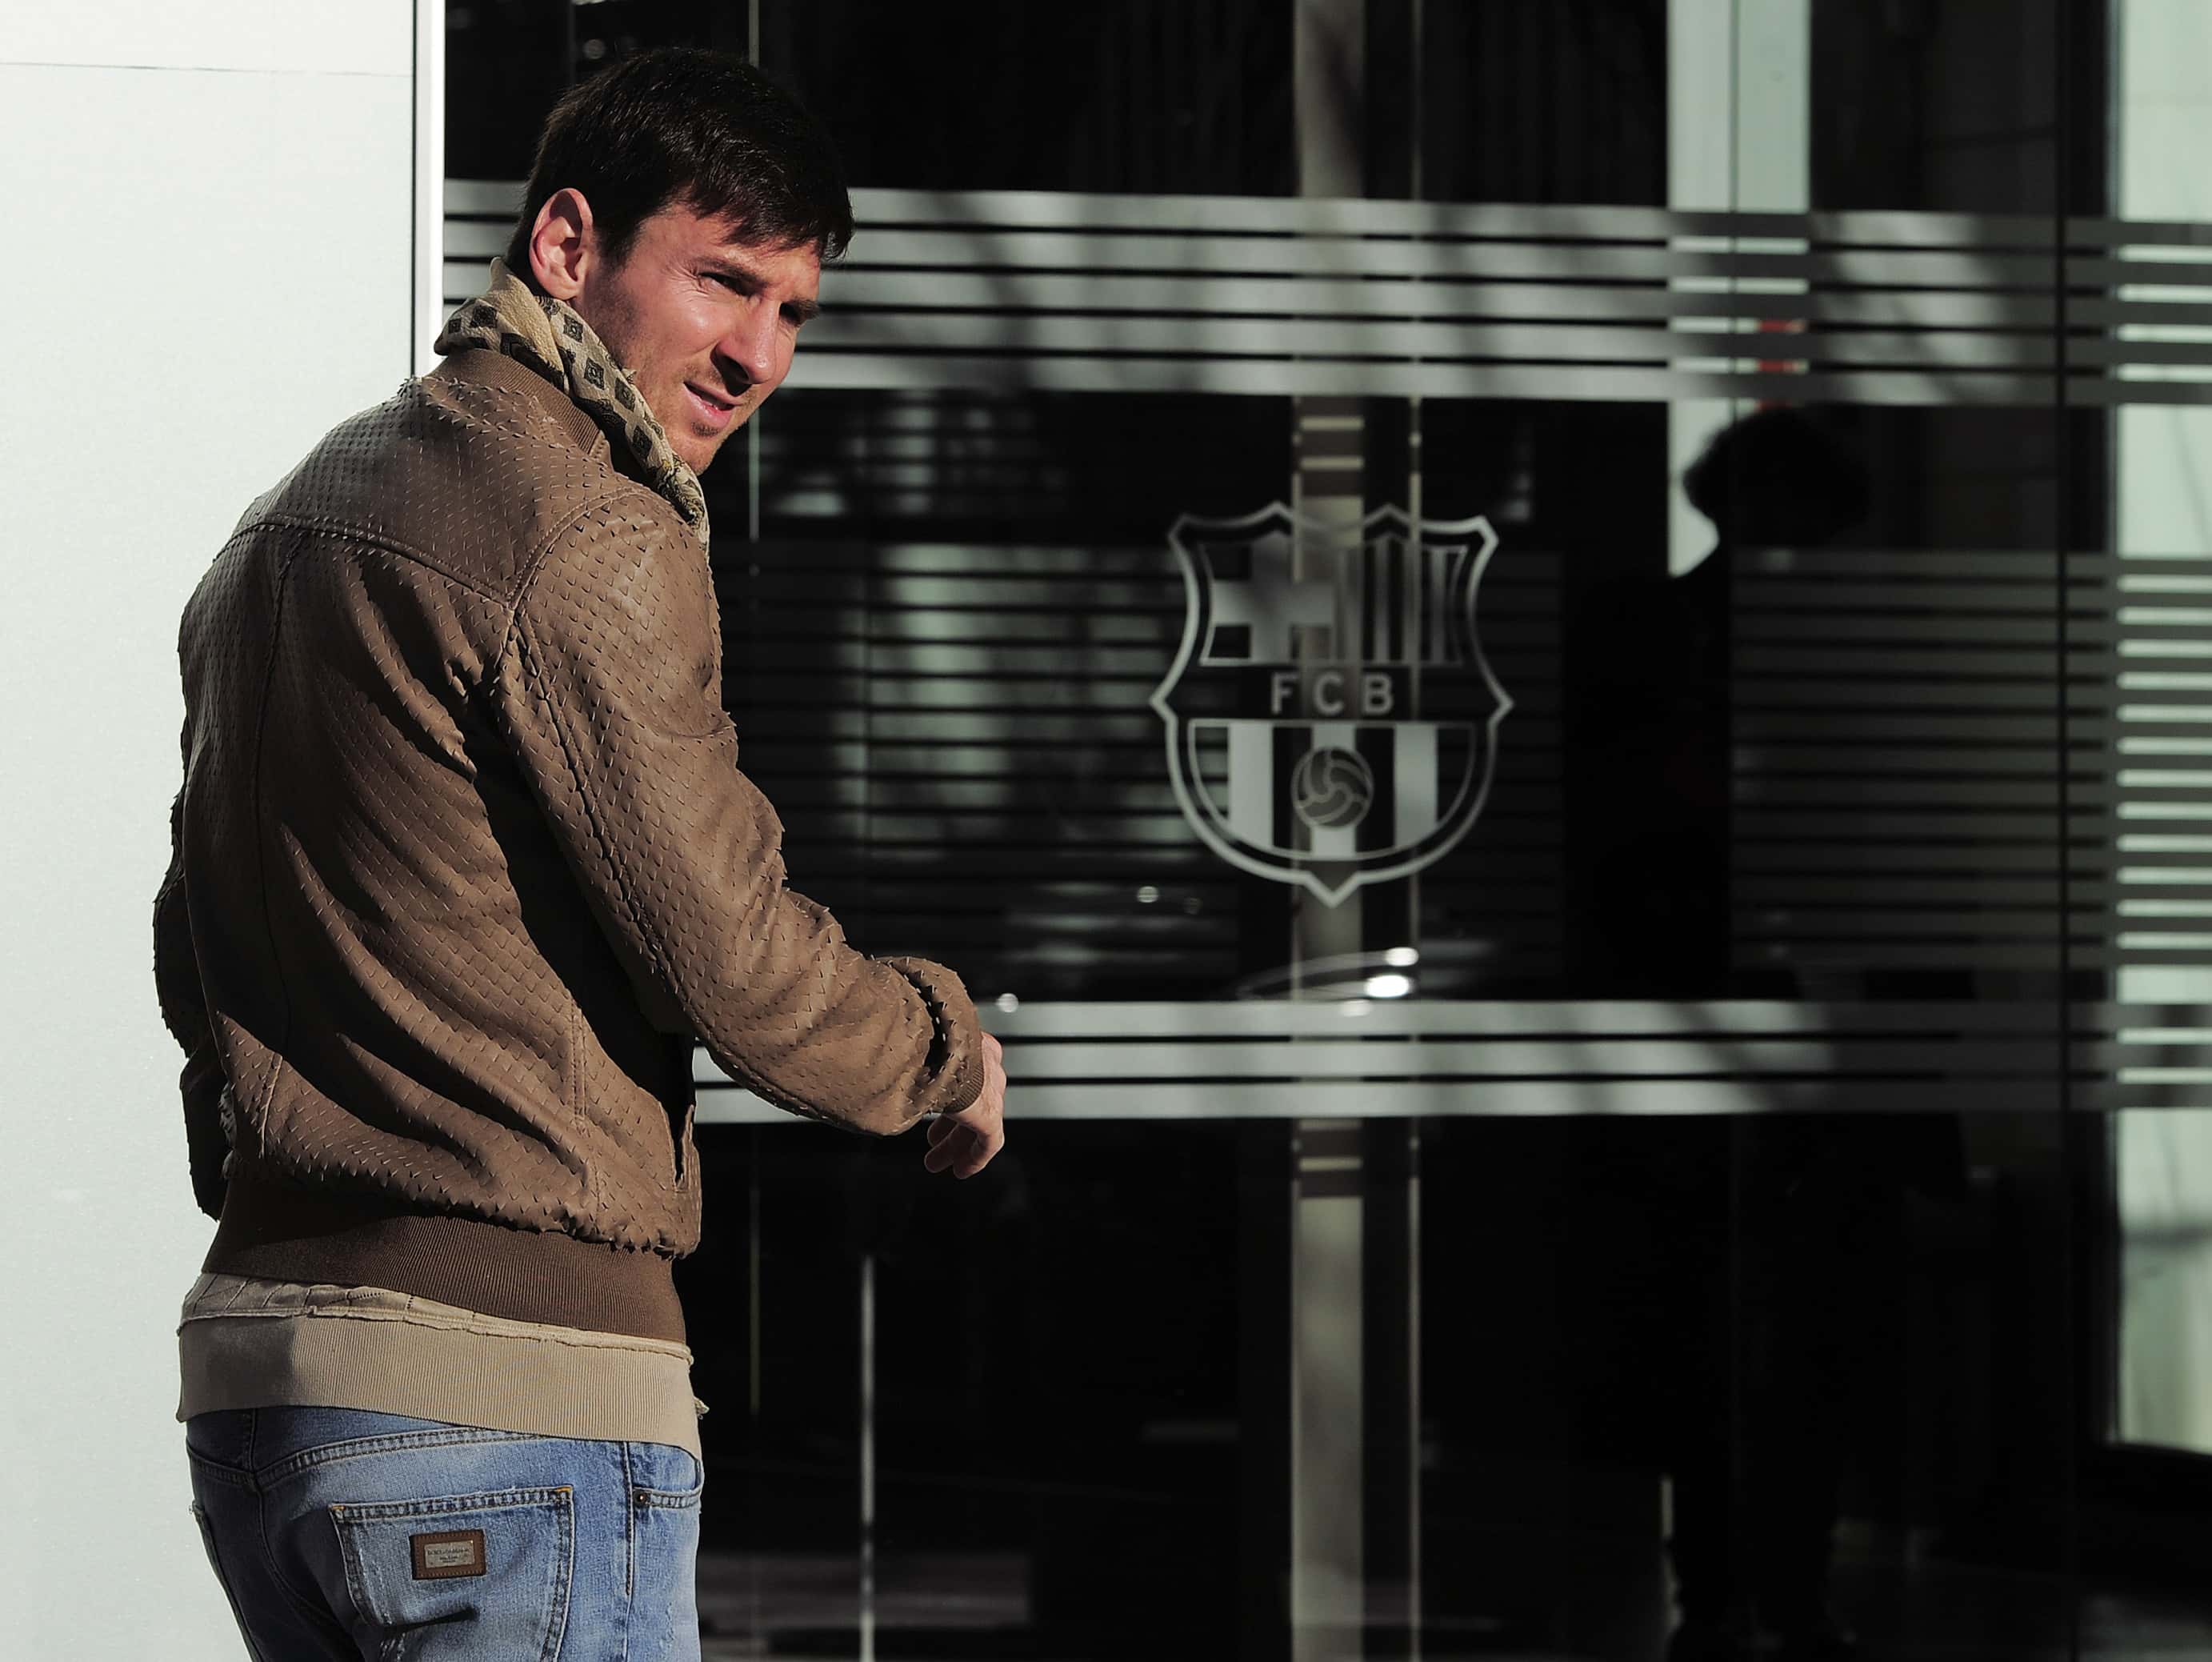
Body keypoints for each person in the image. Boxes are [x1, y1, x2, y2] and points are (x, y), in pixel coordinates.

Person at [154, 48, 1006, 1660]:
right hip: (507, 1402)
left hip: (275, 1397)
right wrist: (945, 1053)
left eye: (794, 312)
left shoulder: (283, 527)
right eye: (723, 282)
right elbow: (730, 952)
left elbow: (191, 936)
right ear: (566, 246)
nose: (758, 354)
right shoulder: (589, 524)